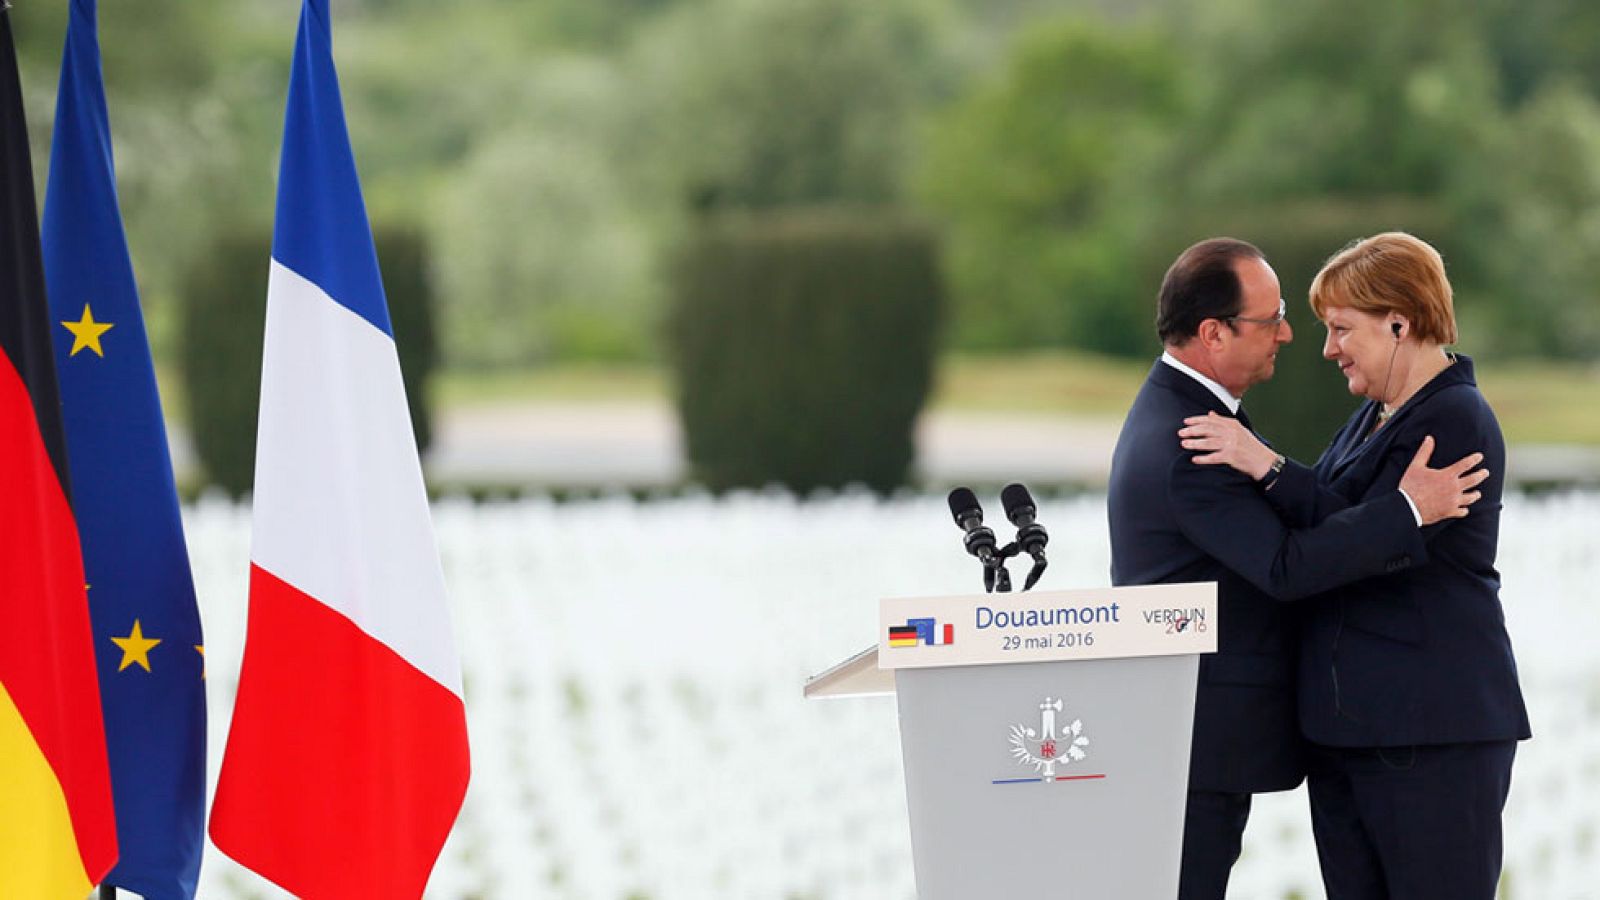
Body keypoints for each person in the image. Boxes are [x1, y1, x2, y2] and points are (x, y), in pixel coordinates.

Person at [1106, 237, 1488, 900]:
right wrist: (1402, 510)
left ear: (1399, 323)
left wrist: (1272, 465)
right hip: (1203, 739)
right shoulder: (1189, 440)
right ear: (1213, 333)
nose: (1293, 336)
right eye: (1272, 319)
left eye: (1337, 328)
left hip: (1415, 723)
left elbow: (1320, 520)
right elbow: (1286, 564)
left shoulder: (1442, 417)